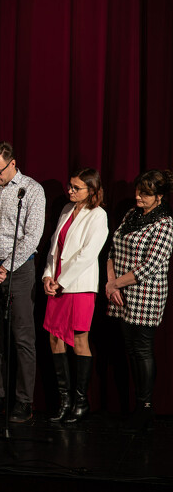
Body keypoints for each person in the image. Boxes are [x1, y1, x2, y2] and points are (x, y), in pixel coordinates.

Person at [0, 141, 45, 422]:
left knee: (22, 338)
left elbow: (33, 236)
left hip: (20, 271)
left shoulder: (32, 190)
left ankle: (24, 401)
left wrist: (5, 268)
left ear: (13, 163)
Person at [105, 169, 173, 433]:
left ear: (159, 196)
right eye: (138, 191)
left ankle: (145, 407)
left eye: (145, 194)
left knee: (142, 349)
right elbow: (112, 248)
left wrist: (114, 284)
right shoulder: (132, 215)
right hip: (119, 292)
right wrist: (111, 283)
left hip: (145, 294)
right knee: (130, 349)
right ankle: (136, 405)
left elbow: (151, 266)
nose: (138, 197)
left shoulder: (164, 224)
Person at [41, 168, 108, 423]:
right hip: (56, 283)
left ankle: (81, 401)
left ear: (91, 190)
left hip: (78, 286)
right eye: (69, 186)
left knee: (80, 341)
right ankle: (64, 400)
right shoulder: (67, 210)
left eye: (76, 187)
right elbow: (54, 248)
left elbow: (88, 254)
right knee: (54, 339)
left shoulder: (98, 215)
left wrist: (61, 282)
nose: (69, 191)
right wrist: (48, 276)